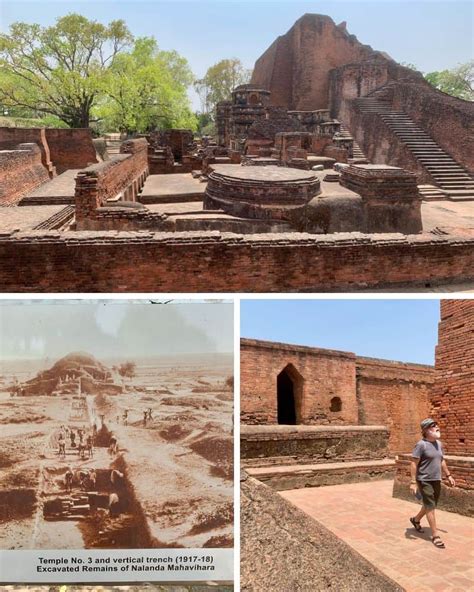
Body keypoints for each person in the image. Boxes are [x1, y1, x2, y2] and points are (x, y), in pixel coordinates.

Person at [409, 418, 455, 548]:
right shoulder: (421, 445)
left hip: (436, 479)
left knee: (431, 504)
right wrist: (413, 482)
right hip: (424, 479)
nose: (436, 428)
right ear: (425, 430)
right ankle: (435, 535)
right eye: (432, 426)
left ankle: (416, 520)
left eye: (436, 425)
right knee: (430, 506)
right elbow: (413, 463)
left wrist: (449, 475)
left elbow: (441, 460)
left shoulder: (439, 444)